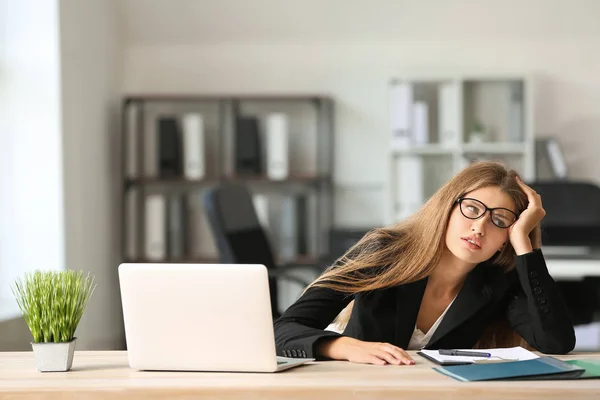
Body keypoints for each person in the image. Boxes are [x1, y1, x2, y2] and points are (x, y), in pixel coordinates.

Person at [274, 161, 575, 366]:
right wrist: (344, 347)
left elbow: (555, 341)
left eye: (499, 220)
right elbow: (282, 331)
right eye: (471, 208)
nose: (479, 227)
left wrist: (526, 245)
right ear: (448, 208)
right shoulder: (383, 252)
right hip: (362, 391)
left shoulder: (498, 281)